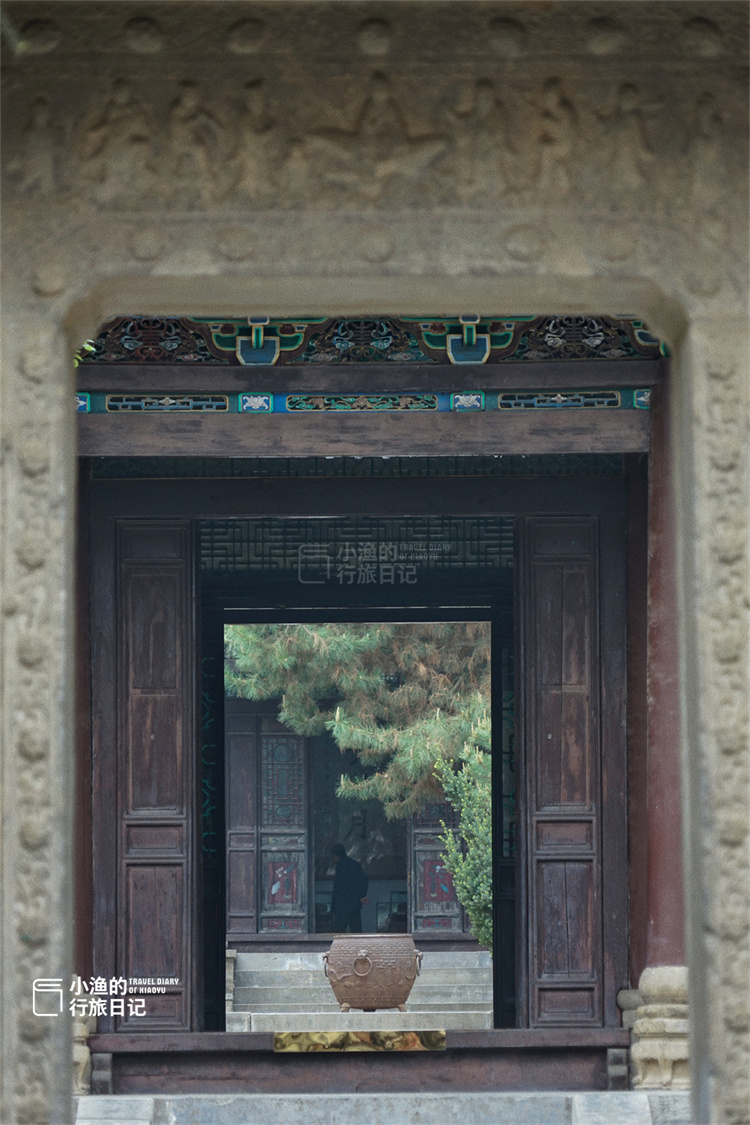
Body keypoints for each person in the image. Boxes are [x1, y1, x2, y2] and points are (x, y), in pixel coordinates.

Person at [330, 843, 369, 933]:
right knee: (356, 931)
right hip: (354, 905)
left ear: (335, 855)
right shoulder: (354, 865)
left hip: (342, 906)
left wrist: (333, 909)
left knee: (339, 932)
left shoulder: (340, 868)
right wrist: (362, 895)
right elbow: (364, 881)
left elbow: (338, 890)